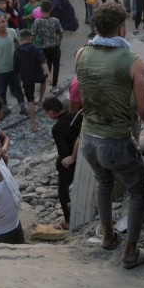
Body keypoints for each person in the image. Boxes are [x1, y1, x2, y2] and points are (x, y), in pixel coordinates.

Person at [74, 2, 144, 262]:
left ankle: (107, 236)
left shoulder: (80, 53)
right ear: (122, 29)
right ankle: (131, 252)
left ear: (96, 28)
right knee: (138, 189)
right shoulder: (133, 61)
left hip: (88, 137)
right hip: (116, 141)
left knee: (103, 182)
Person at [44, 97, 81, 230]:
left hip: (72, 160)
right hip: (85, 155)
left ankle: (68, 220)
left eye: (47, 113)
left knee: (62, 189)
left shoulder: (57, 128)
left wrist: (66, 160)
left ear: (52, 112)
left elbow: (63, 152)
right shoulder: (76, 114)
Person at [0, 14, 27, 114]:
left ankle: (22, 107)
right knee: (2, 91)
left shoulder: (12, 31)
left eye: (3, 21)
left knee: (18, 88)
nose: (2, 24)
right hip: (0, 70)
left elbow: (16, 42)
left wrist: (19, 54)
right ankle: (4, 108)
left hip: (13, 68)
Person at [14, 28, 49, 131]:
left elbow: (15, 68)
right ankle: (40, 99)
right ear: (31, 38)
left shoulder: (17, 52)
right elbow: (43, 62)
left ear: (20, 39)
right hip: (38, 74)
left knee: (29, 101)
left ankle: (34, 125)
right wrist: (49, 74)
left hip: (26, 78)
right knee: (43, 81)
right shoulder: (37, 49)